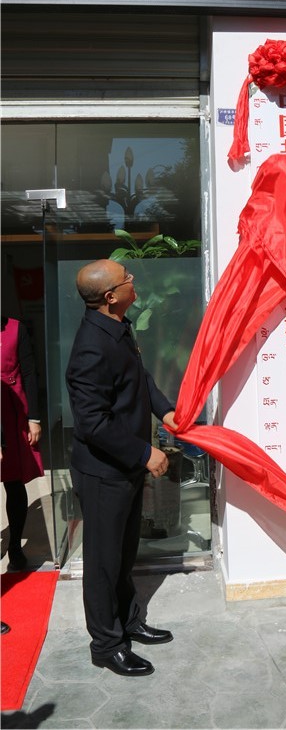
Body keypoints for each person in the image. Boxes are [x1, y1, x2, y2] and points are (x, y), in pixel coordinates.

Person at [66, 259, 178, 676]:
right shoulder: (91, 347)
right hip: (103, 472)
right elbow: (92, 423)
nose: (134, 280)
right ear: (111, 296)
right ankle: (107, 644)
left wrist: (166, 411)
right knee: (103, 562)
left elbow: (139, 378)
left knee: (124, 553)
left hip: (123, 465)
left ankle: (129, 621)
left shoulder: (118, 327)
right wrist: (144, 453)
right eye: (126, 278)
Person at [1, 315, 43, 572]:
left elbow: (29, 373)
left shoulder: (16, 329)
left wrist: (33, 418)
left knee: (13, 482)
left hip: (12, 411)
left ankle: (15, 545)